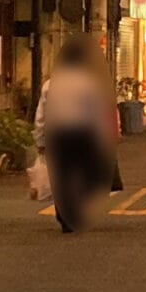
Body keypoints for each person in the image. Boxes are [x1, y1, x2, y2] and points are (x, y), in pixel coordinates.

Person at [34, 35, 115, 233]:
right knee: (87, 172)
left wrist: (40, 139)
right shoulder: (90, 83)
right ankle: (80, 205)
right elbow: (97, 113)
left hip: (57, 134)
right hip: (83, 133)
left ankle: (65, 217)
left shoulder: (49, 85)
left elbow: (41, 115)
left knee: (60, 176)